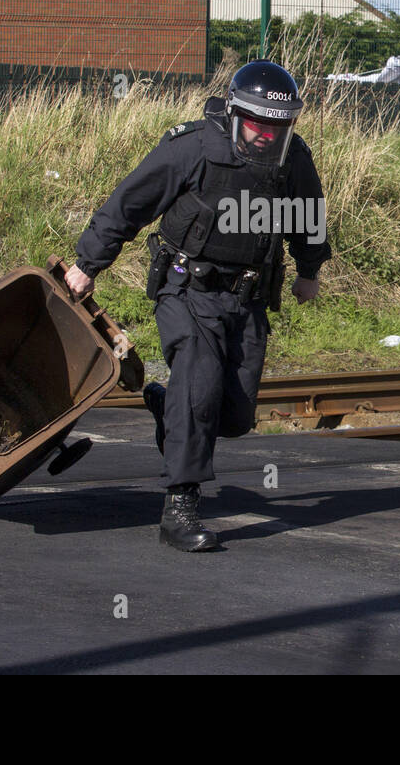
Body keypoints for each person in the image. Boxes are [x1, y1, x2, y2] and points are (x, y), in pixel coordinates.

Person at [64, 60, 331, 551]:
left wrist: (309, 270)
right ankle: (180, 506)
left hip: (247, 299)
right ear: (235, 114)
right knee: (200, 388)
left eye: (279, 126)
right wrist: (87, 265)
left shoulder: (293, 158)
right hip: (188, 291)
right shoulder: (192, 148)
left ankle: (169, 408)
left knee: (233, 418)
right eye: (259, 124)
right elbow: (129, 204)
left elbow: (308, 214)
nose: (268, 135)